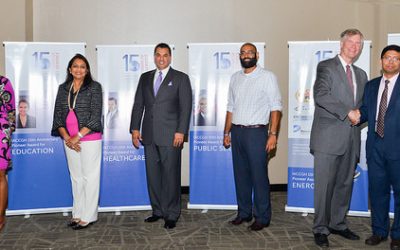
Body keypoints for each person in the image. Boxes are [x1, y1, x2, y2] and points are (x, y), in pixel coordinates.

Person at [309, 28, 368, 247]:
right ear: (341, 44)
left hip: (351, 139)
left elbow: (361, 105)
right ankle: (320, 228)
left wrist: (362, 113)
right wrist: (348, 112)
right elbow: (321, 95)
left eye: (359, 43)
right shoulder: (326, 66)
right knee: (324, 187)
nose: (355, 46)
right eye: (351, 42)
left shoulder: (361, 74)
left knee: (344, 185)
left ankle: (338, 223)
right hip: (328, 139)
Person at [130, 43, 192, 229]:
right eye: (158, 55)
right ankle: (157, 210)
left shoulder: (180, 78)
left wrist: (181, 131)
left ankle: (172, 214)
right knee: (153, 176)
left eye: (165, 55)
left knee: (171, 176)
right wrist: (134, 129)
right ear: (154, 57)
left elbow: (186, 107)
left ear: (170, 57)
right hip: (148, 136)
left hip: (171, 136)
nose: (161, 58)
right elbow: (138, 104)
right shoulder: (145, 77)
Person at [223, 42, 282, 231]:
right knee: (241, 176)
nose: (246, 55)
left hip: (257, 133)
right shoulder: (235, 78)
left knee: (259, 177)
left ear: (257, 54)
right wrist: (226, 132)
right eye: (243, 52)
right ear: (239, 56)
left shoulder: (267, 77)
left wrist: (272, 134)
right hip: (237, 132)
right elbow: (230, 107)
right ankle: (244, 213)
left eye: (250, 52)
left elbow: (276, 108)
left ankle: (262, 216)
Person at [51, 54, 103, 230]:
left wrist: (77, 137)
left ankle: (89, 216)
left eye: (82, 66)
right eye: (75, 66)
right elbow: (58, 116)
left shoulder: (94, 88)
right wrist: (67, 138)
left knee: (90, 177)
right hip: (69, 141)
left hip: (89, 139)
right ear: (69, 69)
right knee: (76, 178)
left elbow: (95, 117)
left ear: (87, 70)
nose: (79, 69)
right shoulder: (63, 88)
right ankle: (78, 213)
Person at [359, 45, 400, 250]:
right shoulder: (371, 85)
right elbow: (365, 111)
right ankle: (379, 231)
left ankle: (398, 235)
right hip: (374, 148)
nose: (391, 62)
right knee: (377, 192)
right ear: (381, 61)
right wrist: (353, 115)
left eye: (396, 58)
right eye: (387, 58)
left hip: (398, 150)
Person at [0, 76, 15, 231]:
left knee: (0, 174)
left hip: (0, 132)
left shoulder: (3, 82)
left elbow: (10, 109)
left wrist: (7, 131)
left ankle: (0, 217)